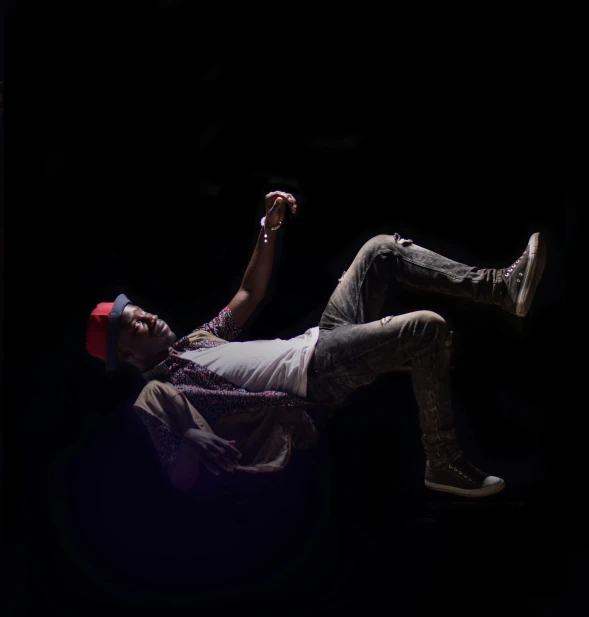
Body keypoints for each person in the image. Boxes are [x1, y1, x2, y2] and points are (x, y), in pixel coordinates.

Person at [86, 191, 547, 498]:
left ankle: (500, 288)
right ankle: (442, 462)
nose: (148, 316)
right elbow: (182, 478)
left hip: (319, 340)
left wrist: (268, 229)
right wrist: (188, 434)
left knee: (381, 249)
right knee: (424, 328)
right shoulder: (162, 392)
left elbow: (248, 295)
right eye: (136, 325)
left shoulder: (195, 342)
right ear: (125, 354)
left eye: (141, 311)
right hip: (314, 376)